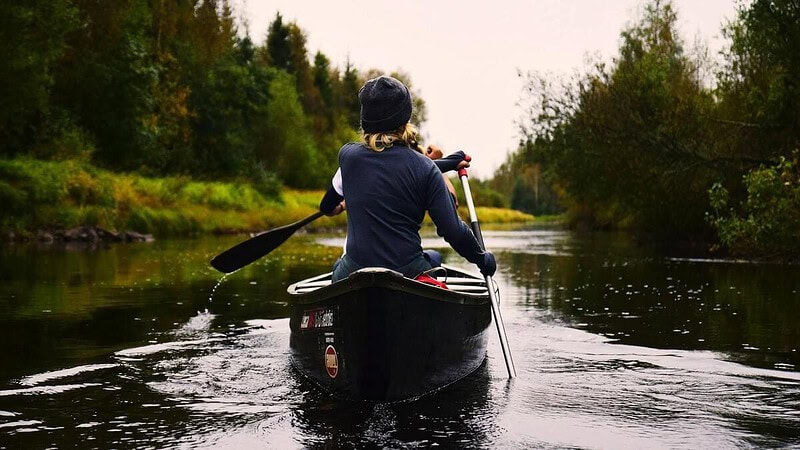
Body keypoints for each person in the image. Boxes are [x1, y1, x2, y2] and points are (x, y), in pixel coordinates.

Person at [319, 75, 495, 282]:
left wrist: (447, 162)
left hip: (353, 271)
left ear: (365, 120)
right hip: (408, 272)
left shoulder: (348, 157)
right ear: (404, 119)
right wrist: (482, 259)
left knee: (338, 267)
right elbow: (453, 232)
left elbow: (327, 206)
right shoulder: (424, 169)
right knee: (435, 258)